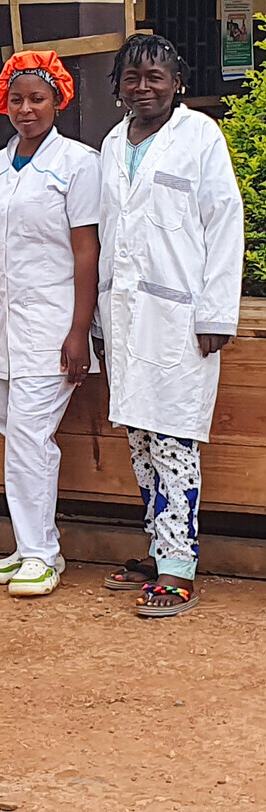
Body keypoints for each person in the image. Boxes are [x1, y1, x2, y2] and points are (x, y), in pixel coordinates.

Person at [98, 34, 243, 617]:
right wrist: (100, 321)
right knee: (139, 438)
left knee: (174, 439)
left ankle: (179, 567)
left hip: (182, 320)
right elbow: (108, 234)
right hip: (125, 316)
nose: (143, 88)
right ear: (117, 86)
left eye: (155, 77)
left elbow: (224, 222)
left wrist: (216, 312)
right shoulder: (112, 143)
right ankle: (160, 547)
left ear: (177, 82)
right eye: (131, 78)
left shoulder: (199, 136)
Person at [0, 50, 101, 597]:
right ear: (4, 103)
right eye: (16, 99)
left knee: (29, 437)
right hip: (1, 328)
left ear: (57, 100)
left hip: (51, 327)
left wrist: (79, 331)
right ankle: (30, 545)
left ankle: (41, 553)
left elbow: (86, 252)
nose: (26, 109)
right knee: (12, 431)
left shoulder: (78, 165)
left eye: (37, 98)